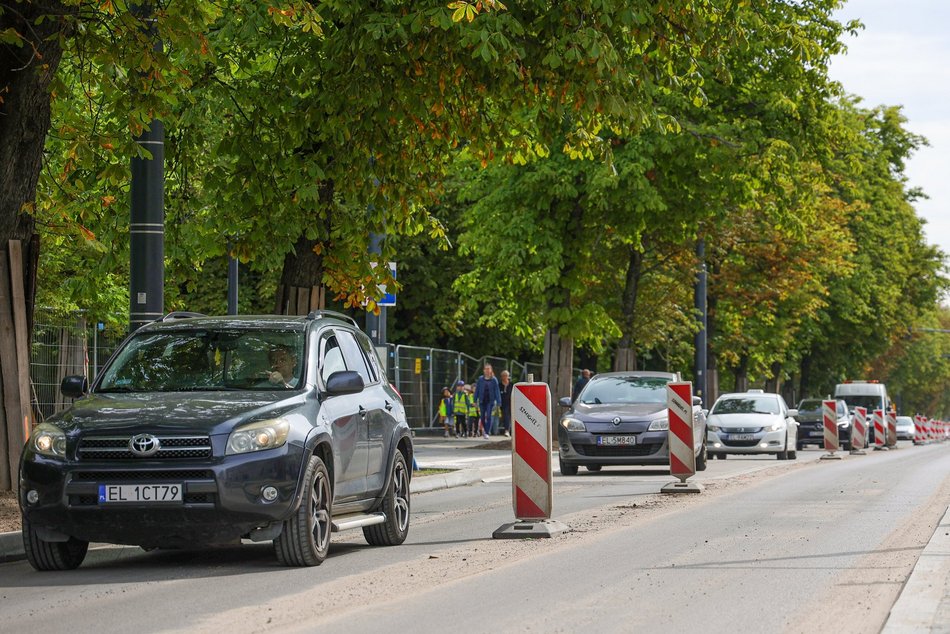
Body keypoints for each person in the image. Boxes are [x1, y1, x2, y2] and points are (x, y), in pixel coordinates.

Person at [474, 363, 501, 440]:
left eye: (488, 369)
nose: (487, 370)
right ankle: (485, 430)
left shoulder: (494, 380)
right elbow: (477, 390)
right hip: (482, 400)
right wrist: (475, 400)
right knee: (482, 416)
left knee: (489, 416)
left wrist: (499, 402)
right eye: (486, 369)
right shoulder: (480, 379)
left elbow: (497, 391)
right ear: (483, 370)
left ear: (491, 370)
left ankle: (486, 432)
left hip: (490, 401)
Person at [499, 370, 513, 437]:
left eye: (506, 376)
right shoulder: (499, 385)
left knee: (509, 417)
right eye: (503, 376)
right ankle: (506, 430)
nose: (505, 377)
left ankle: (509, 430)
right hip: (502, 404)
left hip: (511, 403)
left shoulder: (511, 385)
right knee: (505, 417)